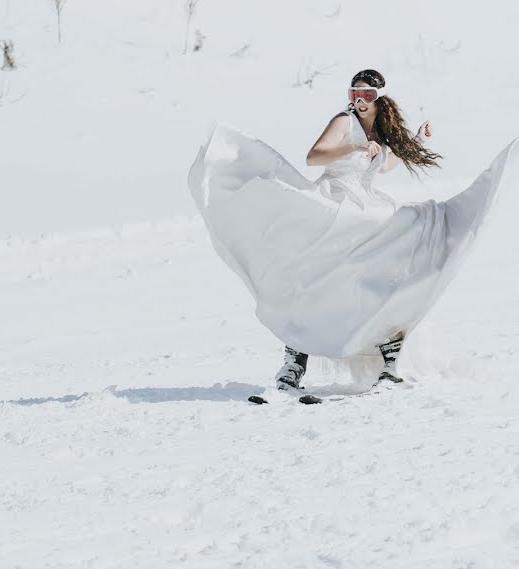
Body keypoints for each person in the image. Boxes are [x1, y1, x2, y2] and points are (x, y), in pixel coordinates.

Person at [187, 69, 517, 391]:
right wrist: (353, 148)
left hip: (366, 203)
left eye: (366, 95)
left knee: (400, 242)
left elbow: (386, 165)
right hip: (335, 201)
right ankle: (294, 359)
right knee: (314, 274)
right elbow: (314, 157)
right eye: (354, 94)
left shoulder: (381, 130)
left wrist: (415, 139)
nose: (359, 101)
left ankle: (387, 350)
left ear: (379, 99)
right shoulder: (344, 122)